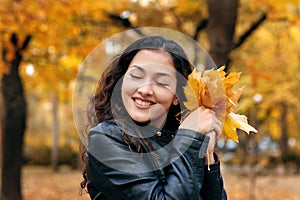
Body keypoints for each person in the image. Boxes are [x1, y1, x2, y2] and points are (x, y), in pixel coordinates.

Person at [80, 36, 227, 199]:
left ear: (178, 95)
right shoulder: (104, 139)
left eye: (162, 82)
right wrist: (190, 137)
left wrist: (207, 155)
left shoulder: (180, 138)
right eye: (136, 76)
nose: (145, 89)